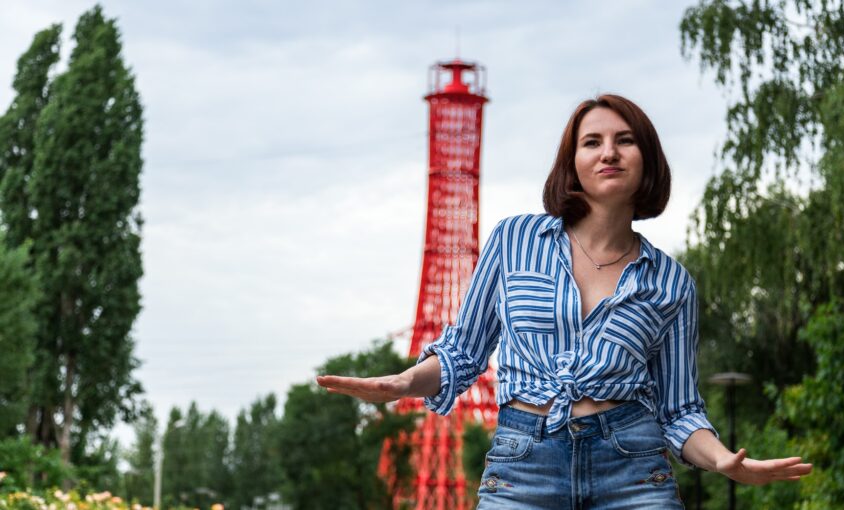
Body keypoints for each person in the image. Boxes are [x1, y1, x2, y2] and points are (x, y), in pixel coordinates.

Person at [317, 94, 812, 509]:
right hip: (523, 467)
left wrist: (722, 459)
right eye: (592, 142)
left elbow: (679, 409)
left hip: (633, 471)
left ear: (647, 160)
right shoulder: (515, 241)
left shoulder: (671, 282)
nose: (608, 153)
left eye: (625, 141)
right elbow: (462, 355)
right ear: (572, 162)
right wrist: (403, 382)